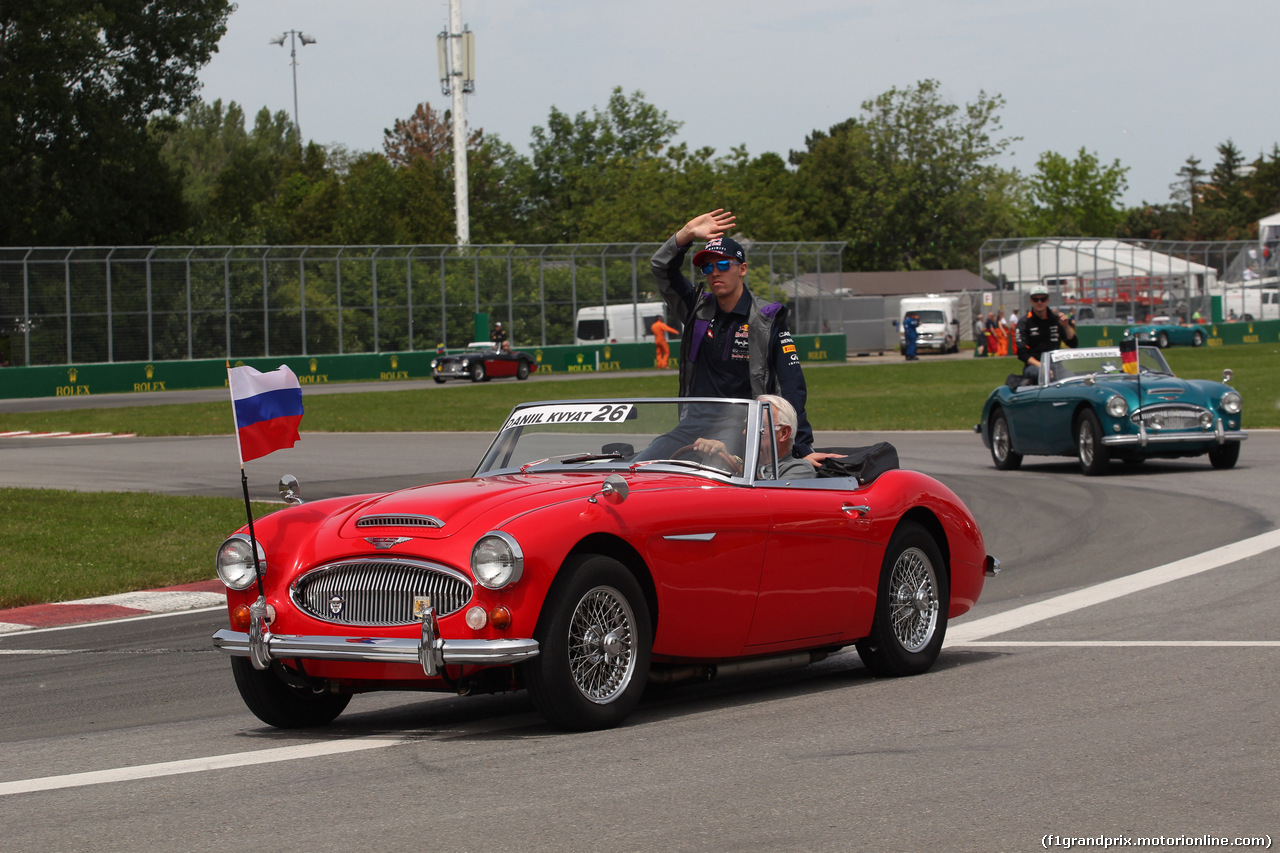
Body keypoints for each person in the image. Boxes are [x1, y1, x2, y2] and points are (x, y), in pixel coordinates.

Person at [649, 208, 817, 461]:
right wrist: (686, 234)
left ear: (742, 269)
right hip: (692, 427)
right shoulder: (695, 309)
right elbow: (661, 268)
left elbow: (792, 386)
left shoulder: (767, 318)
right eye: (708, 267)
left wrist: (801, 448)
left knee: (716, 468)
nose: (715, 272)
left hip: (743, 429)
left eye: (724, 264)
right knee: (644, 463)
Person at [690, 394, 814, 480]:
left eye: (756, 426)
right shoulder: (747, 466)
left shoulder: (799, 469)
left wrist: (731, 461)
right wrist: (714, 460)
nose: (745, 432)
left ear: (783, 433)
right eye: (746, 426)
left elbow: (771, 497)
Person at [1015, 283, 1078, 381]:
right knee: (1044, 375)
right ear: (1031, 300)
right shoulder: (1024, 322)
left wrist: (1066, 326)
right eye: (1036, 299)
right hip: (1034, 365)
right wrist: (1042, 367)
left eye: (1043, 299)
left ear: (1048, 300)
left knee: (1072, 379)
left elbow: (1073, 344)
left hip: (1056, 366)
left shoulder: (1056, 320)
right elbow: (1021, 353)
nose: (1039, 302)